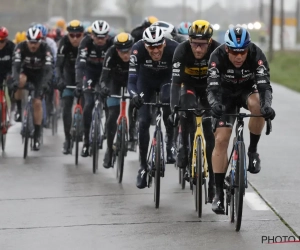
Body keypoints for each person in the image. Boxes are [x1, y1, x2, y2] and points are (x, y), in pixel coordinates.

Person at [206, 26, 276, 214]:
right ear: (227, 49)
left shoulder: (256, 54)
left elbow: (264, 86)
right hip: (225, 96)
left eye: (243, 51)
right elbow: (212, 89)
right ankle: (218, 194)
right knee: (221, 140)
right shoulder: (217, 56)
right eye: (235, 52)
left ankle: (252, 151)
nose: (239, 56)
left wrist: (267, 106)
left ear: (248, 48)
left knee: (258, 105)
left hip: (247, 91)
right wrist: (214, 104)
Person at [169, 20, 220, 203]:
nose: (198, 50)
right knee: (185, 110)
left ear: (210, 42)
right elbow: (175, 84)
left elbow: (222, 84)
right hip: (189, 86)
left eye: (203, 45)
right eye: (195, 44)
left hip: (209, 89)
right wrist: (173, 108)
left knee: (210, 134)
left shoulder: (218, 51)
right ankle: (184, 148)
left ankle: (213, 184)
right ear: (189, 41)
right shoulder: (181, 50)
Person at [128, 26, 178, 189]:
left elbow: (180, 78)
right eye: (151, 47)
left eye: (158, 46)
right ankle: (143, 166)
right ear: (145, 45)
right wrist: (134, 95)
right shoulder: (137, 49)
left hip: (167, 80)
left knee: (167, 101)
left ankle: (170, 143)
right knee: (143, 122)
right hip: (146, 82)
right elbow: (131, 79)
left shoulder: (174, 48)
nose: (155, 50)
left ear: (164, 43)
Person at [75, 20, 114, 157]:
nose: (100, 39)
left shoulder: (112, 43)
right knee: (89, 103)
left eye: (103, 36)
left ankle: (109, 134)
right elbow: (80, 65)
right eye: (97, 36)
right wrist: (79, 83)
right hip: (90, 72)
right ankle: (86, 141)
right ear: (92, 35)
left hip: (107, 74)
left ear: (107, 36)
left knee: (109, 105)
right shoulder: (85, 43)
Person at [12, 27, 53, 150]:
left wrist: (46, 84)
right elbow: (16, 66)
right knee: (20, 81)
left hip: (39, 76)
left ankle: (36, 136)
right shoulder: (20, 47)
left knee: (37, 103)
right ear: (27, 40)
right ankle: (19, 110)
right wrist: (15, 81)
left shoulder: (46, 49)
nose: (33, 45)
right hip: (26, 73)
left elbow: (48, 69)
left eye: (36, 42)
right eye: (31, 42)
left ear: (40, 41)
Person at [99, 32, 136, 168]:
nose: (125, 55)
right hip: (114, 82)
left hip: (132, 81)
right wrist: (103, 87)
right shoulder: (110, 53)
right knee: (112, 116)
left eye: (128, 51)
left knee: (135, 103)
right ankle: (109, 150)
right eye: (122, 52)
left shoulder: (137, 52)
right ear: (116, 49)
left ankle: (132, 133)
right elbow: (104, 77)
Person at [56, 20, 85, 154]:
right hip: (68, 76)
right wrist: (60, 80)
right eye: (71, 35)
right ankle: (68, 139)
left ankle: (86, 136)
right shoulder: (64, 43)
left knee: (87, 105)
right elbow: (58, 65)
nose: (75, 38)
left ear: (82, 34)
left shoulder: (87, 43)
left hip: (84, 77)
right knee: (66, 106)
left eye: (78, 35)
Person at [0, 27, 15, 118]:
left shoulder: (12, 47)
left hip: (9, 71)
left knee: (11, 87)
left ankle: (13, 108)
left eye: (2, 42)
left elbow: (16, 63)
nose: (0, 45)